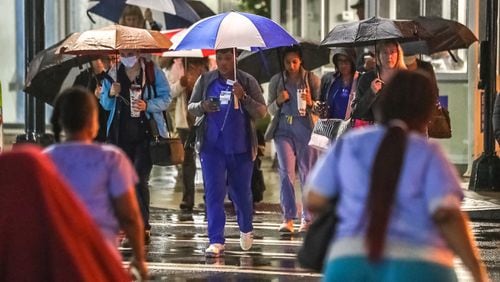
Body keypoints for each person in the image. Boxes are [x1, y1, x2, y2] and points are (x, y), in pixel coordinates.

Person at [305, 70, 488, 282]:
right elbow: (447, 214)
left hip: (349, 262)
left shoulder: (350, 144)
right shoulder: (428, 153)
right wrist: (477, 272)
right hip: (420, 263)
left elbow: (314, 198)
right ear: (426, 112)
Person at [43, 87, 148, 279]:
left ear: (61, 121)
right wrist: (139, 259)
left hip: (58, 258)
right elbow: (130, 217)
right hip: (101, 257)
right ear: (93, 120)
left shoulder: (45, 160)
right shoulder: (112, 159)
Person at [188, 48, 267, 257]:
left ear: (235, 58)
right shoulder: (206, 80)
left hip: (240, 148)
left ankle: (246, 227)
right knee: (214, 194)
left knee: (240, 194)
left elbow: (262, 112)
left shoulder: (247, 80)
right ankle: (216, 240)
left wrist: (245, 97)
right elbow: (191, 106)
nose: (223, 63)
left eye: (227, 58)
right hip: (211, 148)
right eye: (219, 58)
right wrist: (203, 106)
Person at [100, 50, 171, 244]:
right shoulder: (113, 73)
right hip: (119, 137)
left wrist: (147, 105)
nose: (127, 55)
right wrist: (110, 93)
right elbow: (105, 105)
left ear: (138, 52)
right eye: (123, 51)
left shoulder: (151, 71)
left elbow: (167, 98)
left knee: (139, 179)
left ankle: (143, 224)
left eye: (130, 51)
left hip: (145, 136)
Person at [264, 46, 321, 234]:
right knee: (286, 173)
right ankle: (288, 217)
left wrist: (312, 101)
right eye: (288, 62)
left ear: (301, 61)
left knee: (308, 173)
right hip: (283, 129)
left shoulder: (311, 79)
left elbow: (322, 108)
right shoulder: (277, 80)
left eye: (294, 61)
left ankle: (308, 217)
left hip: (305, 127)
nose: (291, 65)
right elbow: (269, 110)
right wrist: (279, 100)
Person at [171, 57, 209, 211]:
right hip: (185, 121)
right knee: (187, 160)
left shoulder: (209, 64)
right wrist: (181, 84)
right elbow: (170, 92)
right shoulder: (178, 65)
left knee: (208, 158)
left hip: (204, 118)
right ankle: (188, 198)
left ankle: (210, 197)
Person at [351, 39, 407, 127]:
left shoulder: (407, 79)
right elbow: (356, 112)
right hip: (374, 133)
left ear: (399, 54)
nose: (389, 56)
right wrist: (371, 93)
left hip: (402, 133)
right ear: (378, 55)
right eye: (385, 52)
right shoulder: (367, 79)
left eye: (392, 52)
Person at [73, 56, 112, 142]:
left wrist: (105, 95)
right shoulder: (83, 78)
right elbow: (76, 103)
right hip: (89, 126)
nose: (99, 62)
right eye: (96, 58)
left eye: (103, 59)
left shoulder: (111, 77)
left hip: (107, 125)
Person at [319, 48, 359, 120]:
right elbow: (321, 100)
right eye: (340, 61)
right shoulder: (328, 79)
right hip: (332, 127)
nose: (343, 65)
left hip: (353, 128)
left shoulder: (360, 80)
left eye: (346, 61)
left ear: (352, 62)